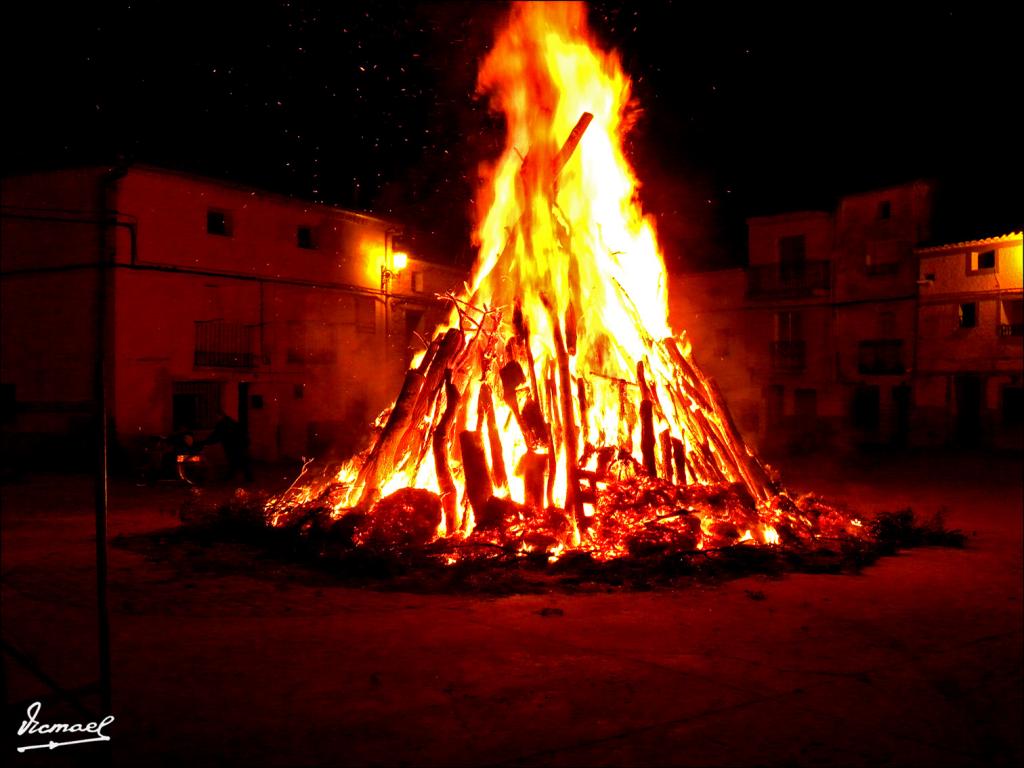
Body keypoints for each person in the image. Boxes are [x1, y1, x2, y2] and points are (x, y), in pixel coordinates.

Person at [201, 410, 253, 484]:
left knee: (237, 461)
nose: (215, 418)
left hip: (233, 445)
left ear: (220, 416)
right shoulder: (230, 422)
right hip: (239, 445)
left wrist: (205, 442)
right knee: (240, 461)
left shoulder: (223, 425)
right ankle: (242, 477)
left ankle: (235, 477)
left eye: (216, 417)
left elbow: (216, 436)